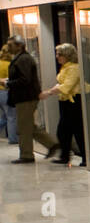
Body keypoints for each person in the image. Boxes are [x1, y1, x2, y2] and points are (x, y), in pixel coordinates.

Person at [5, 35, 58, 164]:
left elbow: (25, 79)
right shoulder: (22, 58)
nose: (8, 48)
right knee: (28, 125)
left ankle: (27, 155)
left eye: (10, 45)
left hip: (26, 98)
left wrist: (8, 83)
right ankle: (52, 144)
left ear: (19, 46)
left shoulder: (23, 59)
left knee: (23, 127)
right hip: (25, 97)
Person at [37, 43, 85, 166]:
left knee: (77, 131)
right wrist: (49, 92)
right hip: (65, 102)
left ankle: (85, 157)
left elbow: (67, 86)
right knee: (64, 131)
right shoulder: (65, 67)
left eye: (59, 54)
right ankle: (65, 156)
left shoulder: (74, 68)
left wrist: (48, 93)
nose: (57, 57)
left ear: (67, 55)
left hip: (74, 102)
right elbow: (60, 84)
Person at [0, 42, 14, 144]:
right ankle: (13, 139)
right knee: (11, 116)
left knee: (5, 116)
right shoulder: (9, 64)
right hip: (5, 91)